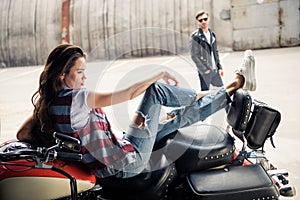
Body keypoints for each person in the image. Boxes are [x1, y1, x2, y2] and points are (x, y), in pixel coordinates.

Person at [16, 44, 256, 179]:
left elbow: (22, 133)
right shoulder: (80, 98)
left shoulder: (49, 103)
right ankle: (222, 88)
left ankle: (222, 92)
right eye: (79, 72)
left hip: (116, 154)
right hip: (126, 162)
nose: (85, 77)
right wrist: (159, 73)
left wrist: (62, 144)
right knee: (156, 91)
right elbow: (130, 93)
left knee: (170, 120)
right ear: (62, 75)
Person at [190, 10, 224, 91]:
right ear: (197, 22)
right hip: (205, 71)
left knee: (221, 91)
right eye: (200, 20)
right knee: (205, 94)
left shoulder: (212, 34)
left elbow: (215, 52)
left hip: (215, 69)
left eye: (205, 19)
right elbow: (194, 55)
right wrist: (204, 69)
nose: (203, 21)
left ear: (208, 19)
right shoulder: (196, 36)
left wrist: (219, 67)